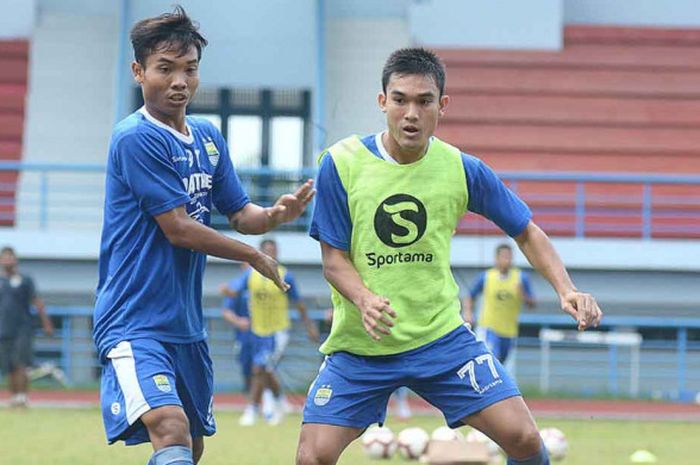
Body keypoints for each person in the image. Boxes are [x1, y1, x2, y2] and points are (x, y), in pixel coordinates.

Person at [296, 48, 603, 465]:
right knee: (311, 458)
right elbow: (334, 259)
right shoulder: (341, 163)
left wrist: (566, 289)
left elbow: (526, 230)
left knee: (526, 441)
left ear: (442, 106)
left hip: (440, 339)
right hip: (361, 346)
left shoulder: (461, 168)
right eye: (400, 99)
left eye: (424, 101)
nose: (411, 113)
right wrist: (365, 299)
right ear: (382, 102)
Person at [92, 7, 314, 465]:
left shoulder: (209, 137)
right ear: (139, 72)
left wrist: (275, 214)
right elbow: (178, 229)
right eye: (165, 69)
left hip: (185, 327)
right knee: (169, 427)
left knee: (191, 446)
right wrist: (251, 256)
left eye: (189, 69)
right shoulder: (136, 138)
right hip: (133, 320)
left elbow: (240, 213)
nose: (179, 81)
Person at [221, 238, 320, 426]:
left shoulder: (285, 275)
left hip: (278, 330)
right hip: (257, 330)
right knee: (264, 369)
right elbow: (234, 291)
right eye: (266, 251)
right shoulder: (250, 275)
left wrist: (309, 325)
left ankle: (252, 409)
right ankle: (279, 401)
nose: (270, 255)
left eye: (273, 251)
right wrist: (227, 291)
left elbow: (298, 303)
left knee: (260, 368)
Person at [463, 243, 536, 364]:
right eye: (504, 256)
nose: (507, 260)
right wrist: (468, 313)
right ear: (496, 258)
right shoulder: (486, 277)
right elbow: (470, 296)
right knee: (491, 361)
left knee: (501, 366)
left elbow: (532, 304)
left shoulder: (521, 278)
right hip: (488, 328)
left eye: (509, 257)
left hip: (509, 331)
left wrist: (524, 295)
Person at [0, 246, 54, 408]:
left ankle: (22, 397)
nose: (8, 260)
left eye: (10, 257)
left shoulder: (25, 280)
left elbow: (37, 302)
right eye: (4, 257)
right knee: (8, 365)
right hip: (3, 329)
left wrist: (47, 324)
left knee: (20, 362)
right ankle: (14, 397)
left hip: (22, 328)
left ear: (15, 260)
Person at [221, 262, 254, 394]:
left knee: (265, 367)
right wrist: (239, 321)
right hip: (245, 334)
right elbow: (226, 310)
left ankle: (271, 399)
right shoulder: (238, 284)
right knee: (247, 365)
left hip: (267, 332)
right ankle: (251, 397)